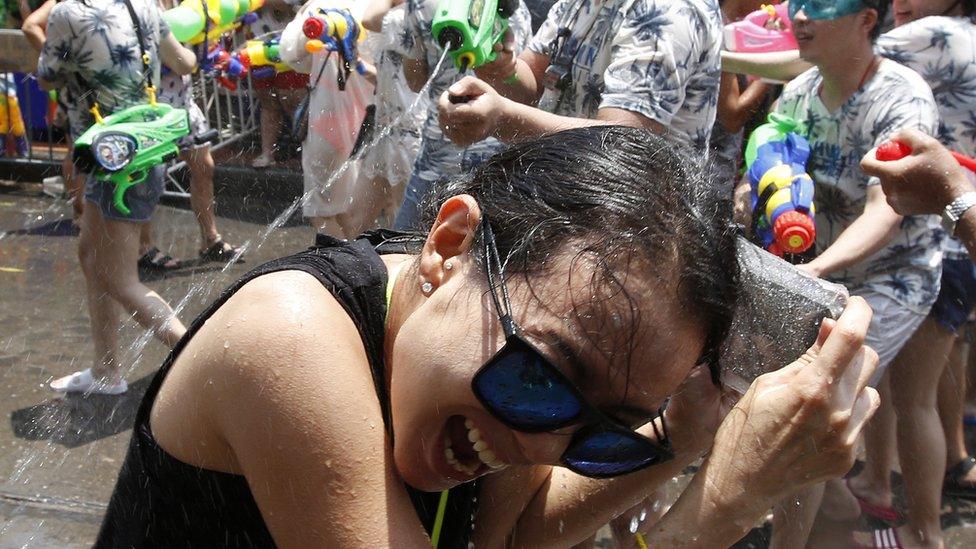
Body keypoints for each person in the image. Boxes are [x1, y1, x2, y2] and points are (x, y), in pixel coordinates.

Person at [95, 126, 879, 547]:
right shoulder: (286, 338)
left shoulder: (503, 357)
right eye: (541, 377)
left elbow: (507, 536)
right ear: (447, 244)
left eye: (607, 435)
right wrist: (723, 507)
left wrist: (681, 435)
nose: (546, 446)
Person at [730, 1, 942, 547]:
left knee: (814, 405)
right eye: (796, 4)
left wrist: (817, 268)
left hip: (896, 273)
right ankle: (844, 509)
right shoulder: (800, 91)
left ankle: (921, 535)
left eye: (819, 6)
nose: (798, 17)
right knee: (802, 404)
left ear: (867, 19)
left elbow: (886, 211)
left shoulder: (901, 96)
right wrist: (752, 195)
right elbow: (776, 166)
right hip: (821, 271)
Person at [831, 2, 976, 546]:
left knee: (916, 398)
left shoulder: (937, 34)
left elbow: (837, 54)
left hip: (947, 237)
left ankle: (924, 533)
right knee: (905, 390)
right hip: (955, 233)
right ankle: (879, 486)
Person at [36, 0, 195, 394]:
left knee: (120, 280)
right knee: (91, 256)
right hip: (143, 147)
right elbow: (183, 61)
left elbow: (46, 77)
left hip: (110, 157)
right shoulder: (143, 5)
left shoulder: (67, 13)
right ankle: (105, 371)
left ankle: (199, 357)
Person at [438, 0, 724, 151]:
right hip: (572, 196)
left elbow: (622, 141)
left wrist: (501, 118)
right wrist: (499, 67)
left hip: (640, 228)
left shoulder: (669, 9)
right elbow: (533, 77)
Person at [391, 0, 532, 231]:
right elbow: (524, 88)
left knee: (400, 251)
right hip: (498, 164)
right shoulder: (514, 9)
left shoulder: (419, 5)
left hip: (436, 158)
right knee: (480, 260)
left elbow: (416, 82)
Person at [152, 0, 243, 265]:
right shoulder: (143, 5)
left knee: (204, 167)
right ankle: (142, 249)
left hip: (183, 101)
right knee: (149, 178)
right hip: (154, 104)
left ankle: (210, 240)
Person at [278, 0, 376, 238]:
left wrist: (303, 12)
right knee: (351, 211)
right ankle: (363, 262)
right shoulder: (377, 8)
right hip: (366, 124)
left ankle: (350, 268)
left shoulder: (321, 7)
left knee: (320, 211)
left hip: (326, 124)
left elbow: (290, 55)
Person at [358, 0, 426, 230]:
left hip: (410, 134)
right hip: (386, 132)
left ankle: (390, 264)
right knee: (355, 219)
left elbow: (369, 18)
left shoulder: (413, 16)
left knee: (399, 223)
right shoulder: (399, 17)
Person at [249, 0, 306, 169]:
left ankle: (306, 151)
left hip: (290, 49)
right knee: (268, 104)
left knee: (294, 103)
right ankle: (267, 153)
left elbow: (285, 5)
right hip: (259, 47)